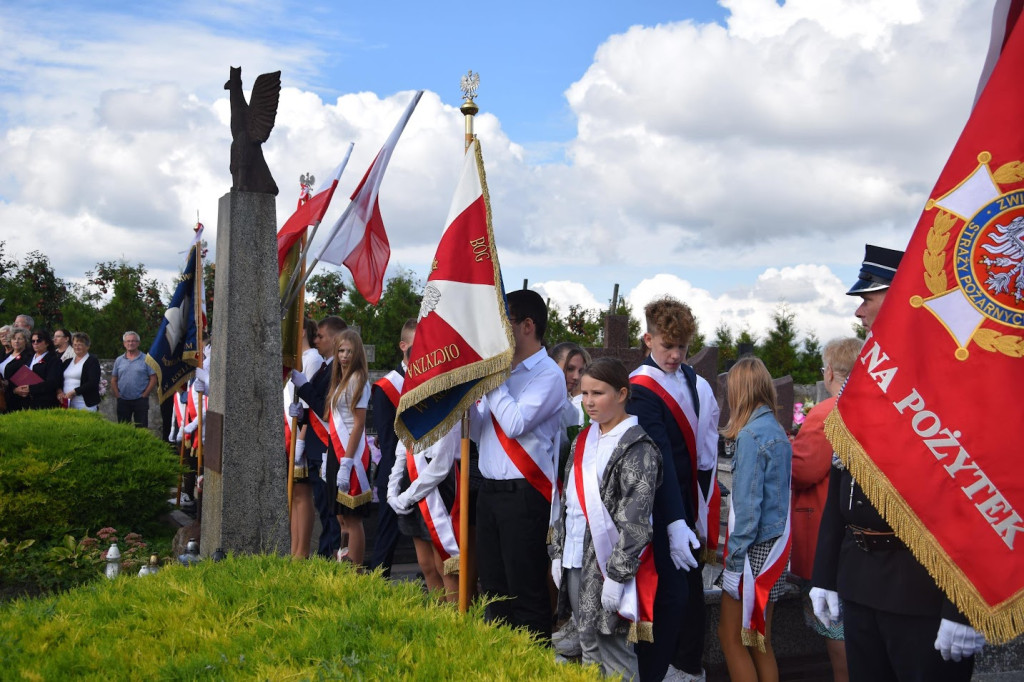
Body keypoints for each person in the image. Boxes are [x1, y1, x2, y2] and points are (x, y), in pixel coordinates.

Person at [812, 245, 984, 681]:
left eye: (868, 298)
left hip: (922, 589)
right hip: (860, 580)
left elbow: (973, 493)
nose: (859, 313)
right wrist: (825, 574)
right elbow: (841, 480)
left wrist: (964, 607)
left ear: (904, 296)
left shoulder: (952, 376)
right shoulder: (868, 377)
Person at [550, 358, 662, 680]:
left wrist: (617, 574)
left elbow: (636, 520)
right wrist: (557, 552)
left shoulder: (638, 447)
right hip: (574, 557)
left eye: (597, 393)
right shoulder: (582, 439)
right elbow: (567, 501)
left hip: (608, 565)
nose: (588, 402)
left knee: (615, 652)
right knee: (588, 646)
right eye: (584, 393)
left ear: (622, 393)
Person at [471, 288, 565, 641]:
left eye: (504, 321)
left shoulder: (547, 375)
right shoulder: (505, 374)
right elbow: (483, 433)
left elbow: (514, 423)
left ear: (528, 325)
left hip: (524, 496)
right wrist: (466, 401)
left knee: (526, 596)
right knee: (494, 594)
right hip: (490, 493)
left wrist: (493, 380)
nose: (498, 330)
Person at [627, 296, 704, 682]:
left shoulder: (688, 377)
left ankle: (684, 669)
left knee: (687, 598)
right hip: (660, 510)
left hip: (687, 505)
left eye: (682, 348)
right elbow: (657, 460)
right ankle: (652, 673)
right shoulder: (641, 387)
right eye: (666, 346)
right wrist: (674, 521)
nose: (675, 356)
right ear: (648, 339)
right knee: (666, 598)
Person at [790, 337, 862, 682]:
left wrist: (786, 448)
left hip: (824, 534)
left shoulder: (827, 412)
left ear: (830, 371)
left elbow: (802, 471)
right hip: (863, 541)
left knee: (836, 630)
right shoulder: (868, 404)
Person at [717, 356, 792, 682]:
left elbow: (748, 511)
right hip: (774, 547)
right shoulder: (775, 429)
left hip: (753, 553)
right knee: (759, 640)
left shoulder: (750, 436)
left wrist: (734, 566)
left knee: (730, 637)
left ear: (739, 392)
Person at [291, 316, 346, 559]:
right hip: (315, 447)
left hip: (325, 447)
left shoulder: (339, 369)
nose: (316, 340)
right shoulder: (326, 366)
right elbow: (314, 410)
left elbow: (325, 408)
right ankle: (324, 556)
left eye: (321, 336)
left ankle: (328, 558)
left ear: (334, 339)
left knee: (331, 514)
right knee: (324, 511)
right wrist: (301, 414)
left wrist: (303, 387)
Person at [388, 424, 461, 602]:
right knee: (426, 564)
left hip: (437, 488)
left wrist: (406, 497)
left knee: (444, 565)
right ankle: (437, 620)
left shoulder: (446, 407)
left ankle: (456, 625)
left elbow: (441, 467)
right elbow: (401, 450)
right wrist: (392, 492)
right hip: (411, 481)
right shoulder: (412, 405)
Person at [368, 318, 416, 576]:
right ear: (403, 345)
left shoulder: (431, 380)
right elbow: (388, 440)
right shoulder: (387, 386)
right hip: (395, 469)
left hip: (428, 471)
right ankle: (377, 583)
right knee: (387, 535)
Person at [325, 328, 373, 565]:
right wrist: (329, 457)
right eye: (341, 350)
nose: (344, 356)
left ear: (357, 354)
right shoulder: (339, 380)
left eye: (349, 351)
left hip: (351, 456)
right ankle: (345, 563)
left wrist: (346, 462)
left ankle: (356, 570)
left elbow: (359, 423)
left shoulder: (358, 380)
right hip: (336, 450)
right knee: (341, 515)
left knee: (352, 518)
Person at [286, 319, 324, 558]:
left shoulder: (312, 359)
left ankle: (302, 550)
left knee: (302, 494)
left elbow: (310, 403)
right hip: (289, 431)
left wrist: (300, 440)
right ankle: (294, 548)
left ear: (302, 332)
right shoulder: (295, 359)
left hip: (301, 434)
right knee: (294, 494)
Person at [110, 331, 156, 427]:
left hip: (140, 400)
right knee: (123, 429)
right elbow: (114, 379)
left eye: (133, 341)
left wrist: (145, 394)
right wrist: (118, 395)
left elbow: (153, 378)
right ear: (124, 343)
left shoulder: (147, 359)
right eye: (128, 341)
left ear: (138, 343)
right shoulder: (119, 360)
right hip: (123, 400)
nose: (130, 343)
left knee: (141, 429)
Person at [10, 329, 64, 409]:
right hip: (25, 402)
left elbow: (52, 382)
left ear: (47, 343)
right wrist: (16, 389)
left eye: (39, 341)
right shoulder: (28, 358)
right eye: (33, 341)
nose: (35, 343)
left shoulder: (53, 360)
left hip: (44, 403)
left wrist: (30, 389)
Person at [59, 332, 102, 411]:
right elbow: (59, 379)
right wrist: (60, 391)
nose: (77, 347)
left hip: (84, 403)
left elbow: (93, 382)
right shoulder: (67, 362)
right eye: (75, 345)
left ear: (87, 346)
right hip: (67, 402)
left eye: (80, 345)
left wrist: (74, 392)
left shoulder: (92, 361)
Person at [2, 327, 31, 411]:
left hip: (18, 396)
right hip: (5, 394)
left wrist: (11, 387)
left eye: (20, 339)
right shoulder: (6, 355)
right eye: (14, 339)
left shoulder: (28, 356)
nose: (16, 341)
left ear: (25, 341)